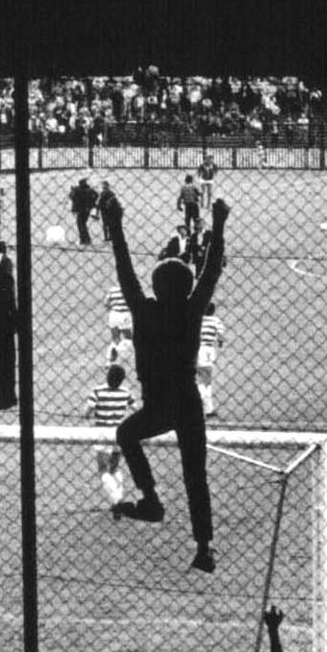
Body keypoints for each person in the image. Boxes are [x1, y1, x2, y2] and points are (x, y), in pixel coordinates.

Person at [101, 186, 227, 571]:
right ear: (187, 289)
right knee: (195, 475)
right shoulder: (192, 312)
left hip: (156, 402)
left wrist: (117, 226)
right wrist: (219, 226)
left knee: (126, 435)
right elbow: (210, 272)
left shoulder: (143, 310)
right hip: (186, 402)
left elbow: (125, 271)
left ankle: (151, 498)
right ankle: (204, 546)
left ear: (156, 287)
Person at [86, 359, 136, 507]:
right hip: (118, 434)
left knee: (103, 470)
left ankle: (117, 500)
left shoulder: (97, 391)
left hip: (102, 433)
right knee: (114, 468)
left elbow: (87, 413)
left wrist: (89, 413)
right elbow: (135, 409)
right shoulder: (126, 392)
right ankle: (119, 497)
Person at [195, 301, 224, 418]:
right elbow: (220, 337)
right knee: (206, 381)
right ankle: (202, 406)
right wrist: (219, 343)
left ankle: (208, 409)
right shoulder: (216, 321)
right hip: (207, 351)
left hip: (194, 350)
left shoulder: (197, 319)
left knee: (200, 379)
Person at [69, 174, 98, 246]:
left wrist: (72, 191)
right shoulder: (89, 189)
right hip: (87, 209)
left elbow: (72, 197)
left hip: (80, 209)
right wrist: (92, 202)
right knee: (83, 224)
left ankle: (84, 239)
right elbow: (96, 195)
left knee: (80, 224)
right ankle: (85, 239)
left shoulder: (77, 189)